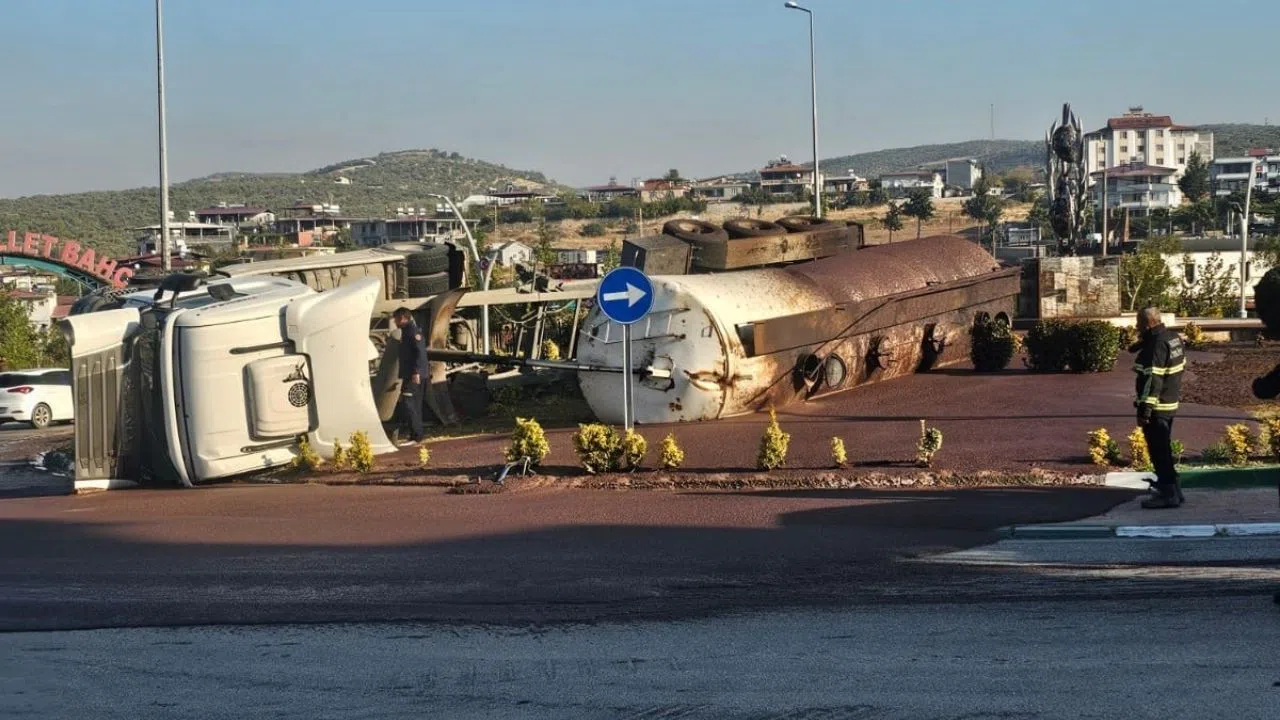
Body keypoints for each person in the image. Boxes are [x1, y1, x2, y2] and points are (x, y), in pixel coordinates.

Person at [1132, 306, 1186, 509]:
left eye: (1138, 323)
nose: (1136, 327)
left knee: (1158, 450)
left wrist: (1145, 410)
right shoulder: (1173, 338)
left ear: (1148, 323)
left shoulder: (1157, 345)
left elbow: (1152, 380)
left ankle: (1168, 493)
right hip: (1170, 401)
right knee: (1163, 448)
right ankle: (1175, 490)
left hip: (1157, 406)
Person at [392, 307, 428, 446]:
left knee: (409, 403)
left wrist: (416, 372)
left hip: (414, 375)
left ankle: (417, 435)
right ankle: (416, 434)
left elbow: (419, 353)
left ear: (402, 318)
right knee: (414, 404)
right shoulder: (406, 332)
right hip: (410, 374)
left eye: (396, 319)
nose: (394, 322)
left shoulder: (413, 332)